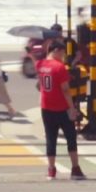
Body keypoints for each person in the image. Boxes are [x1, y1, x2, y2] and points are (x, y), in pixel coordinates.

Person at [36, 41, 86, 181]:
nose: (63, 56)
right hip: (62, 108)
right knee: (71, 137)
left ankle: (51, 169)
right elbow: (65, 90)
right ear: (56, 51)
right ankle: (75, 168)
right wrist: (72, 108)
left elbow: (40, 85)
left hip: (46, 107)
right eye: (62, 53)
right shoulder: (59, 67)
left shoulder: (40, 65)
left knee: (50, 138)